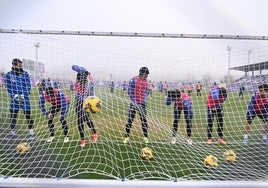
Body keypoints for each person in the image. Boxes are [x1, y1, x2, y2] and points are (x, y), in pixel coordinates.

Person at [5, 58, 35, 140]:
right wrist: (14, 95)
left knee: (28, 115)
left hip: (24, 98)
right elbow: (8, 87)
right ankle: (12, 133)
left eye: (21, 65)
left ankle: (31, 133)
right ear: (14, 65)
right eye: (19, 65)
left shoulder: (25, 74)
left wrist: (23, 95)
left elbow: (28, 85)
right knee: (13, 115)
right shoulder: (8, 75)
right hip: (14, 99)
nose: (21, 66)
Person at [72, 65, 98, 147]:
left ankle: (94, 133)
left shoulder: (90, 83)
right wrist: (85, 70)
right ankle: (82, 139)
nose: (79, 82)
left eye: (81, 81)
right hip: (78, 102)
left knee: (86, 119)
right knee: (79, 121)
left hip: (86, 102)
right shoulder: (78, 80)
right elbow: (73, 66)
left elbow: (91, 95)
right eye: (79, 80)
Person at [123, 66, 150, 144]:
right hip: (133, 103)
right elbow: (130, 92)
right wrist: (135, 102)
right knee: (130, 120)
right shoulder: (133, 80)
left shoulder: (146, 81)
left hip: (142, 104)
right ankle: (126, 137)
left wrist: (143, 100)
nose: (147, 76)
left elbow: (146, 91)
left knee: (144, 120)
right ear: (143, 74)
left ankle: (145, 137)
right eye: (147, 74)